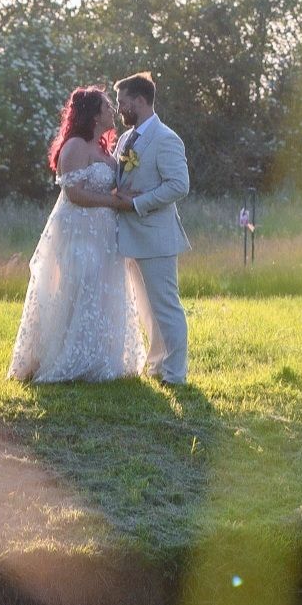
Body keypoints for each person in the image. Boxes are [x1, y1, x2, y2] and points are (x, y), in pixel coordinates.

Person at [7, 86, 145, 383]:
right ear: (94, 114)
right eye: (108, 107)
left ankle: (100, 359)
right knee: (79, 286)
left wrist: (124, 194)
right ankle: (68, 359)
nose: (113, 112)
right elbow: (74, 194)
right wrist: (115, 201)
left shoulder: (104, 149)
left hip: (105, 233)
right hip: (79, 231)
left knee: (103, 291)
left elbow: (106, 185)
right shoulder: (74, 147)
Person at [112, 72, 191, 386]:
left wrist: (136, 203)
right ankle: (157, 365)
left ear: (140, 101)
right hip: (131, 236)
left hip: (156, 236)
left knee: (166, 306)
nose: (119, 109)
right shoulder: (125, 139)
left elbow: (179, 186)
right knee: (146, 308)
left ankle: (176, 373)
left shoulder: (166, 138)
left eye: (122, 102)